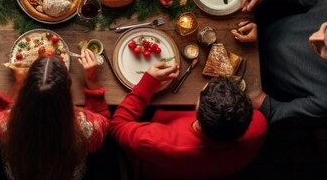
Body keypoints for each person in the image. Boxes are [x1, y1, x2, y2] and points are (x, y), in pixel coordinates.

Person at [111, 62, 267, 180]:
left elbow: (117, 125)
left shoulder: (155, 141)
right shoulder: (259, 125)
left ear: (197, 109)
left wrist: (147, 84)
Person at [231, 0, 327, 127]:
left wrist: (254, 98)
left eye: (326, 50)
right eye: (325, 28)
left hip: (258, 82)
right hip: (262, 28)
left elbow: (275, 113)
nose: (313, 38)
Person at [0, 50, 110, 180]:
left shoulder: (4, 124)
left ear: (25, 92)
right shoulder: (85, 127)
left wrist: (17, 85)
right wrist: (92, 81)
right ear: (68, 93)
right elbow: (104, 122)